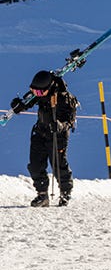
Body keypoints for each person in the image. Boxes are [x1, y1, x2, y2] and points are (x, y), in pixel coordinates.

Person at [10, 70, 77, 206]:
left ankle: (65, 193)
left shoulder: (65, 98)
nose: (37, 94)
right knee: (35, 165)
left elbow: (70, 122)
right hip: (40, 132)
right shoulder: (39, 93)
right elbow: (29, 101)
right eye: (34, 91)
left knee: (58, 165)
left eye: (40, 92)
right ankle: (42, 194)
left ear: (49, 87)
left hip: (58, 135)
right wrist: (19, 105)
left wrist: (60, 125)